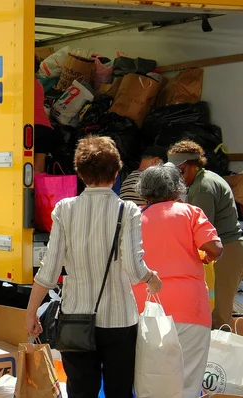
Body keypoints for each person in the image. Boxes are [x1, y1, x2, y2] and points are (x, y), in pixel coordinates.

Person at [25, 136, 162, 398]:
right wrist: (152, 278)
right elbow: (134, 270)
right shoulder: (128, 210)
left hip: (75, 317)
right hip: (119, 320)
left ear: (80, 172)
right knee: (119, 390)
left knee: (80, 391)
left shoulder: (64, 209)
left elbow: (49, 270)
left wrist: (31, 312)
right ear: (116, 171)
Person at [133, 164, 223, 398]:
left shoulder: (133, 217)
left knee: (149, 381)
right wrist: (206, 256)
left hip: (145, 309)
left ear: (144, 190)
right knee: (189, 381)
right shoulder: (190, 213)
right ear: (177, 188)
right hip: (190, 309)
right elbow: (215, 247)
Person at [168, 140, 243, 329]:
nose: (178, 176)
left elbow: (199, 231)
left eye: (181, 171)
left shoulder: (203, 187)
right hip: (222, 249)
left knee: (219, 317)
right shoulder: (202, 180)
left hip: (226, 250)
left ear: (194, 165)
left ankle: (222, 359)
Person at [34, 57, 53, 174]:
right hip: (44, 128)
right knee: (39, 168)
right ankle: (39, 191)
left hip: (29, 127)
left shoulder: (19, 83)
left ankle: (23, 191)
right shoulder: (38, 84)